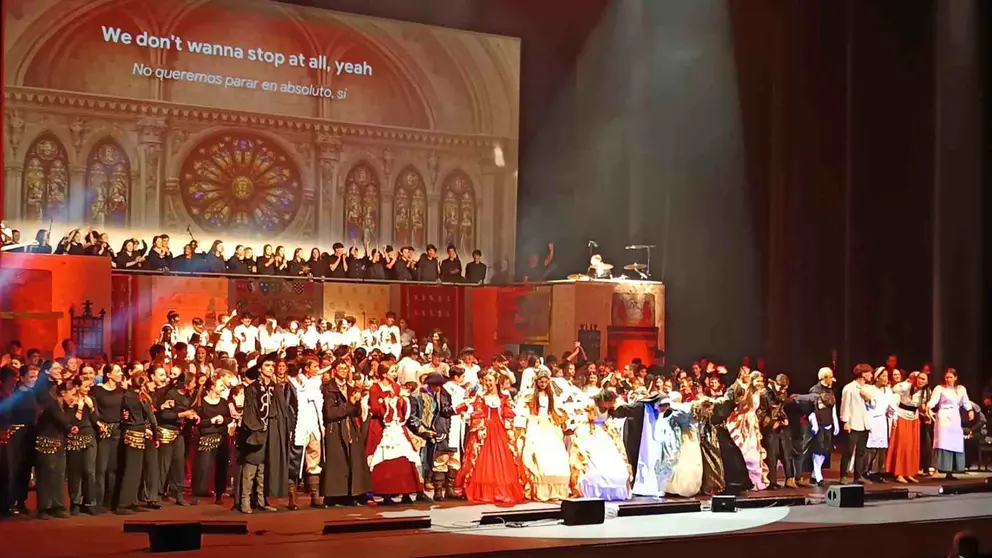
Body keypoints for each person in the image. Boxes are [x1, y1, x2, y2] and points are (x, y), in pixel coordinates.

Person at [456, 371, 526, 505]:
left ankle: (502, 491)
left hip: (499, 429)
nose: (488, 383)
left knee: (503, 460)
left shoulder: (504, 396)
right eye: (486, 380)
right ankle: (483, 491)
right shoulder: (481, 396)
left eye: (490, 380)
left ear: (496, 381)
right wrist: (480, 428)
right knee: (484, 460)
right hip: (486, 428)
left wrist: (508, 427)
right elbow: (477, 413)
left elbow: (509, 412)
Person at [366, 363, 423, 503]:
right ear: (384, 373)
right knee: (384, 458)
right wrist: (387, 401)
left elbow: (402, 407)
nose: (395, 374)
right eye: (392, 371)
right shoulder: (374, 388)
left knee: (404, 457)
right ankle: (386, 493)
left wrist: (400, 400)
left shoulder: (396, 387)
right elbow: (375, 408)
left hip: (396, 427)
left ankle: (406, 491)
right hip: (382, 428)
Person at [514, 369, 571, 502]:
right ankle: (537, 487)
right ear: (536, 381)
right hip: (535, 424)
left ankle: (555, 489)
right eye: (541, 381)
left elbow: (557, 410)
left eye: (546, 381)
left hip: (549, 425)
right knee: (536, 456)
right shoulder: (529, 395)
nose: (543, 383)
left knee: (554, 456)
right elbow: (522, 410)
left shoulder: (551, 396)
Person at [322, 359, 372, 506]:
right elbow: (331, 413)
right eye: (341, 368)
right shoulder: (328, 388)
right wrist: (350, 403)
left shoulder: (350, 387)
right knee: (338, 463)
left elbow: (355, 412)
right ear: (334, 370)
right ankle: (336, 496)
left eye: (346, 368)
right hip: (335, 429)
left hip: (351, 427)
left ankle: (354, 494)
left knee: (354, 461)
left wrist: (357, 402)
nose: (344, 371)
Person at [571, 390, 631, 500]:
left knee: (615, 463)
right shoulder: (591, 406)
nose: (611, 404)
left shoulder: (610, 410)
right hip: (590, 432)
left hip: (604, 432)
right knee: (591, 463)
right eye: (609, 402)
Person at [288, 358, 325, 509]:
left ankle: (315, 496)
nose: (318, 369)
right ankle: (292, 498)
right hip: (300, 427)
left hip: (314, 427)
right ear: (306, 368)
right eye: (315, 366)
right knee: (295, 462)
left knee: (314, 462)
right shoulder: (295, 384)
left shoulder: (316, 384)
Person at [928, 368, 974, 480]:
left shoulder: (961, 389)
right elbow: (933, 401)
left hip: (954, 417)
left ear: (955, 378)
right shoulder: (940, 388)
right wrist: (928, 407)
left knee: (954, 443)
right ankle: (935, 470)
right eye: (947, 377)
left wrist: (970, 410)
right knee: (941, 442)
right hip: (943, 417)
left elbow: (965, 401)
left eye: (951, 377)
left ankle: (950, 472)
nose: (948, 379)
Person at [192, 377, 231, 505]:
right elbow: (196, 422)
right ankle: (198, 494)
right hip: (206, 439)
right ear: (212, 387)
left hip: (222, 438)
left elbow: (229, 418)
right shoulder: (200, 403)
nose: (223, 387)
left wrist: (223, 419)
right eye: (220, 384)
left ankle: (219, 494)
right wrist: (211, 421)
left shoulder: (224, 402)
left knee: (221, 467)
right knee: (203, 468)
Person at [92, 364, 125, 513]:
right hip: (103, 431)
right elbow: (93, 410)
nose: (121, 373)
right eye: (117, 371)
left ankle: (111, 501)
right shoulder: (98, 390)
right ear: (109, 374)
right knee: (101, 468)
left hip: (117, 430)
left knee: (113, 468)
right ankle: (97, 501)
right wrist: (98, 423)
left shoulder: (122, 391)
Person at [66, 377, 98, 515]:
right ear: (78, 387)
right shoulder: (71, 400)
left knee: (89, 471)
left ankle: (89, 502)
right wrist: (79, 407)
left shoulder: (92, 400)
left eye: (89, 387)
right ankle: (75, 503)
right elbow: (71, 421)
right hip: (75, 438)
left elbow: (96, 419)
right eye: (86, 386)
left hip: (89, 436)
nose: (88, 389)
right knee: (75, 472)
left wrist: (91, 407)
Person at [887, 371, 926, 484]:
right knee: (902, 445)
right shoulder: (906, 386)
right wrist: (907, 382)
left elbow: (921, 404)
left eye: (924, 379)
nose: (921, 381)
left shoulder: (924, 391)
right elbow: (894, 389)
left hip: (914, 419)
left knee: (912, 446)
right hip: (902, 417)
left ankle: (909, 472)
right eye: (920, 378)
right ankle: (899, 473)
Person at [839, 363, 874, 484]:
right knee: (848, 451)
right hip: (853, 423)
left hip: (865, 424)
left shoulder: (869, 388)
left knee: (861, 452)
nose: (871, 375)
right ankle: (843, 475)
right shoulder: (849, 388)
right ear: (863, 374)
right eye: (869, 373)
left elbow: (874, 405)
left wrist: (869, 398)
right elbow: (845, 405)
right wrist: (846, 422)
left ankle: (858, 476)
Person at [808, 367, 838, 487]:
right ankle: (818, 475)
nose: (832, 379)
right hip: (819, 423)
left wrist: (835, 422)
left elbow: (833, 407)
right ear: (825, 377)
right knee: (818, 449)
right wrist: (814, 423)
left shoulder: (830, 390)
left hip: (828, 422)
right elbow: (811, 409)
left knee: (825, 450)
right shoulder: (815, 390)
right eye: (830, 377)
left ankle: (815, 473)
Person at [865, 367, 892, 482]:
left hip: (883, 420)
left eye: (887, 376)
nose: (886, 379)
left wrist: (893, 416)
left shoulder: (888, 391)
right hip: (872, 419)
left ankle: (878, 472)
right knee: (871, 448)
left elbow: (892, 405)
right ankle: (866, 471)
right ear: (877, 377)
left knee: (882, 448)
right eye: (883, 376)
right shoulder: (870, 389)